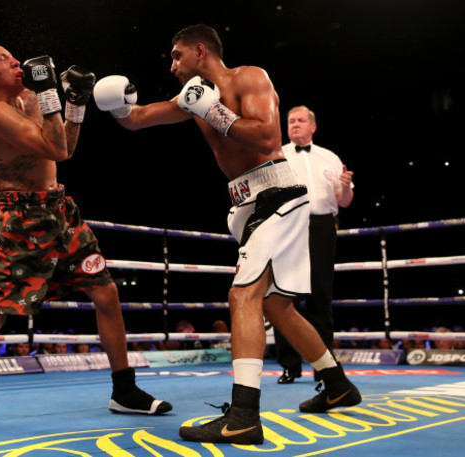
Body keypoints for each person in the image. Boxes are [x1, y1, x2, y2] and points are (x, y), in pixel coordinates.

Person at [93, 24, 361, 445]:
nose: (173, 64)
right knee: (276, 306)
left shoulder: (249, 78)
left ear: (201, 51)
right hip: (250, 203)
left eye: (177, 55)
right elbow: (140, 119)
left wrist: (215, 111)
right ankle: (338, 383)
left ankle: (243, 416)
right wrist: (114, 104)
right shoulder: (190, 97)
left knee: (243, 296)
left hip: (276, 191)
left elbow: (268, 137)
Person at [0, 43, 172, 426]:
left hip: (59, 209)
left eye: (13, 56)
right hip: (18, 219)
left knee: (106, 291)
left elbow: (66, 148)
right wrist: (54, 94)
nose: (16, 61)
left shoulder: (28, 97)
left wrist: (75, 102)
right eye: (3, 60)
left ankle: (124, 390)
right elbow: (55, 147)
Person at [275, 105, 354, 383]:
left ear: (313, 127)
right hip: (287, 225)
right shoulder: (277, 154)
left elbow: (343, 201)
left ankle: (323, 366)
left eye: (300, 121)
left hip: (322, 226)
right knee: (284, 296)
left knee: (320, 296)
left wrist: (344, 186)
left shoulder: (329, 157)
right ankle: (289, 365)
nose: (295, 125)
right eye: (291, 121)